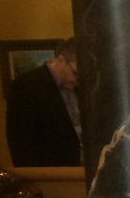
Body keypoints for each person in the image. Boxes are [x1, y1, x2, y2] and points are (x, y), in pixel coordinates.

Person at [5, 37, 81, 167]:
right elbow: (21, 143)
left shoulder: (79, 87)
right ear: (61, 60)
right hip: (51, 173)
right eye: (76, 73)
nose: (79, 80)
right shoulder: (26, 85)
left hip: (82, 171)